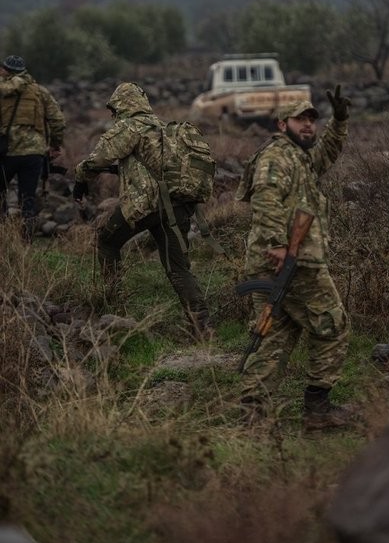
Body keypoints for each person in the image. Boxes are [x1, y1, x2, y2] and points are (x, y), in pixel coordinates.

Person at [235, 87, 353, 430]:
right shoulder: (277, 157)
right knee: (333, 325)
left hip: (279, 262)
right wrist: (276, 244)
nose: (308, 126)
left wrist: (340, 121)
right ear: (281, 123)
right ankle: (317, 410)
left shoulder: (298, 157)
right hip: (290, 263)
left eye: (312, 120)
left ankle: (253, 415)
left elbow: (327, 152)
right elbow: (266, 198)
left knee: (274, 336)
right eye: (300, 119)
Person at [73, 81, 213, 339]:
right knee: (178, 268)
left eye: (114, 110)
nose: (113, 116)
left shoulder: (128, 127)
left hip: (144, 205)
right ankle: (203, 328)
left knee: (107, 242)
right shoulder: (163, 128)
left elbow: (98, 159)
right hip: (177, 207)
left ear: (120, 106)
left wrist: (80, 178)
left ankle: (112, 309)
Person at [0, 55, 65, 241]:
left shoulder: (3, 92)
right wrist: (55, 145)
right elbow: (58, 120)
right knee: (27, 197)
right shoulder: (40, 91)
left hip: (7, 150)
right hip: (34, 152)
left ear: (7, 70)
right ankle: (26, 241)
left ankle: (4, 236)